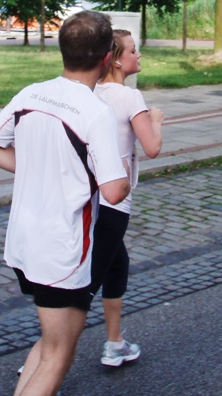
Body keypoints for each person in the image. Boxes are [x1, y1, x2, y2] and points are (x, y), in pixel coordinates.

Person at [0, 10, 130, 396]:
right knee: (59, 355)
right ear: (108, 57)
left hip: (23, 242)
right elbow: (113, 192)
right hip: (63, 250)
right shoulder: (96, 113)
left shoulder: (31, 93)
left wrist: (38, 169)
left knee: (49, 343)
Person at [91, 29, 164, 368]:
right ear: (118, 59)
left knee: (116, 262)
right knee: (87, 280)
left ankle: (115, 341)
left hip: (86, 195)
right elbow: (152, 148)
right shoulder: (131, 98)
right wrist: (157, 121)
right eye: (134, 50)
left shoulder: (90, 92)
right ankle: (45, 355)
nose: (139, 55)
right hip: (114, 199)